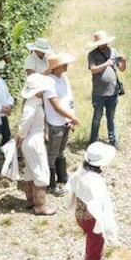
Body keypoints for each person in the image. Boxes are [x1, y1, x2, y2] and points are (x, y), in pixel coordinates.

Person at [66, 142, 118, 260]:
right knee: (95, 246)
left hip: (80, 216)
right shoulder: (96, 182)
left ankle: (91, 254)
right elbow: (100, 207)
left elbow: (72, 189)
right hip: (92, 220)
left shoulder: (80, 172)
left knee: (92, 242)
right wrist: (107, 227)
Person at [17, 73, 57, 216]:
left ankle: (30, 200)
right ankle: (40, 206)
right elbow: (24, 122)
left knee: (30, 170)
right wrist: (20, 135)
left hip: (31, 140)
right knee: (41, 172)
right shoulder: (32, 105)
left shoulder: (33, 101)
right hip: (33, 141)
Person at [43, 53, 80, 196]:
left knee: (61, 149)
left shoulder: (63, 78)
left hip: (65, 120)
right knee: (52, 153)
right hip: (55, 122)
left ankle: (62, 176)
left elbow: (69, 99)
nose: (66, 66)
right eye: (63, 64)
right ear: (56, 67)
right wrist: (71, 116)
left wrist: (71, 117)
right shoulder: (49, 82)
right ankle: (51, 184)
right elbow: (56, 106)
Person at [87, 30, 127, 147]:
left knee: (111, 117)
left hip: (113, 91)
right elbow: (93, 69)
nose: (104, 45)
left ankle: (113, 139)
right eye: (101, 43)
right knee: (97, 117)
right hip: (99, 93)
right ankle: (93, 140)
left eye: (105, 42)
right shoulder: (92, 54)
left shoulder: (114, 51)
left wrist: (124, 62)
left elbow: (122, 69)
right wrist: (106, 64)